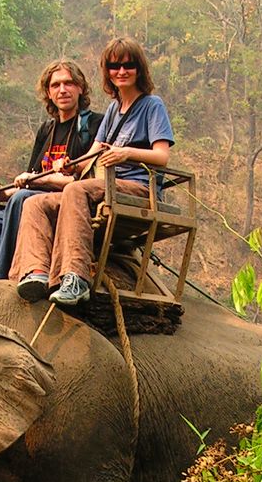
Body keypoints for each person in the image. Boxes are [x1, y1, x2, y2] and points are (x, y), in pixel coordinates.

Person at [10, 36, 175, 306]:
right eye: (114, 66)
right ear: (107, 72)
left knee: (76, 189)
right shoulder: (112, 110)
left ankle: (76, 276)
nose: (121, 72)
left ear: (139, 69)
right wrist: (70, 164)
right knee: (36, 203)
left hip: (138, 189)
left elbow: (162, 155)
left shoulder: (151, 105)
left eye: (128, 65)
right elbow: (91, 157)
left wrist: (126, 153)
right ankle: (36, 272)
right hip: (104, 187)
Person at [0, 60, 102, 291]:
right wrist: (1, 192)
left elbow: (87, 182)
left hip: (65, 210)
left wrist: (36, 183)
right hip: (30, 204)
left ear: (81, 88)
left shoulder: (94, 124)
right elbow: (32, 178)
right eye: (56, 85)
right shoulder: (46, 130)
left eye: (69, 83)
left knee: (22, 199)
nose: (62, 89)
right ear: (48, 92)